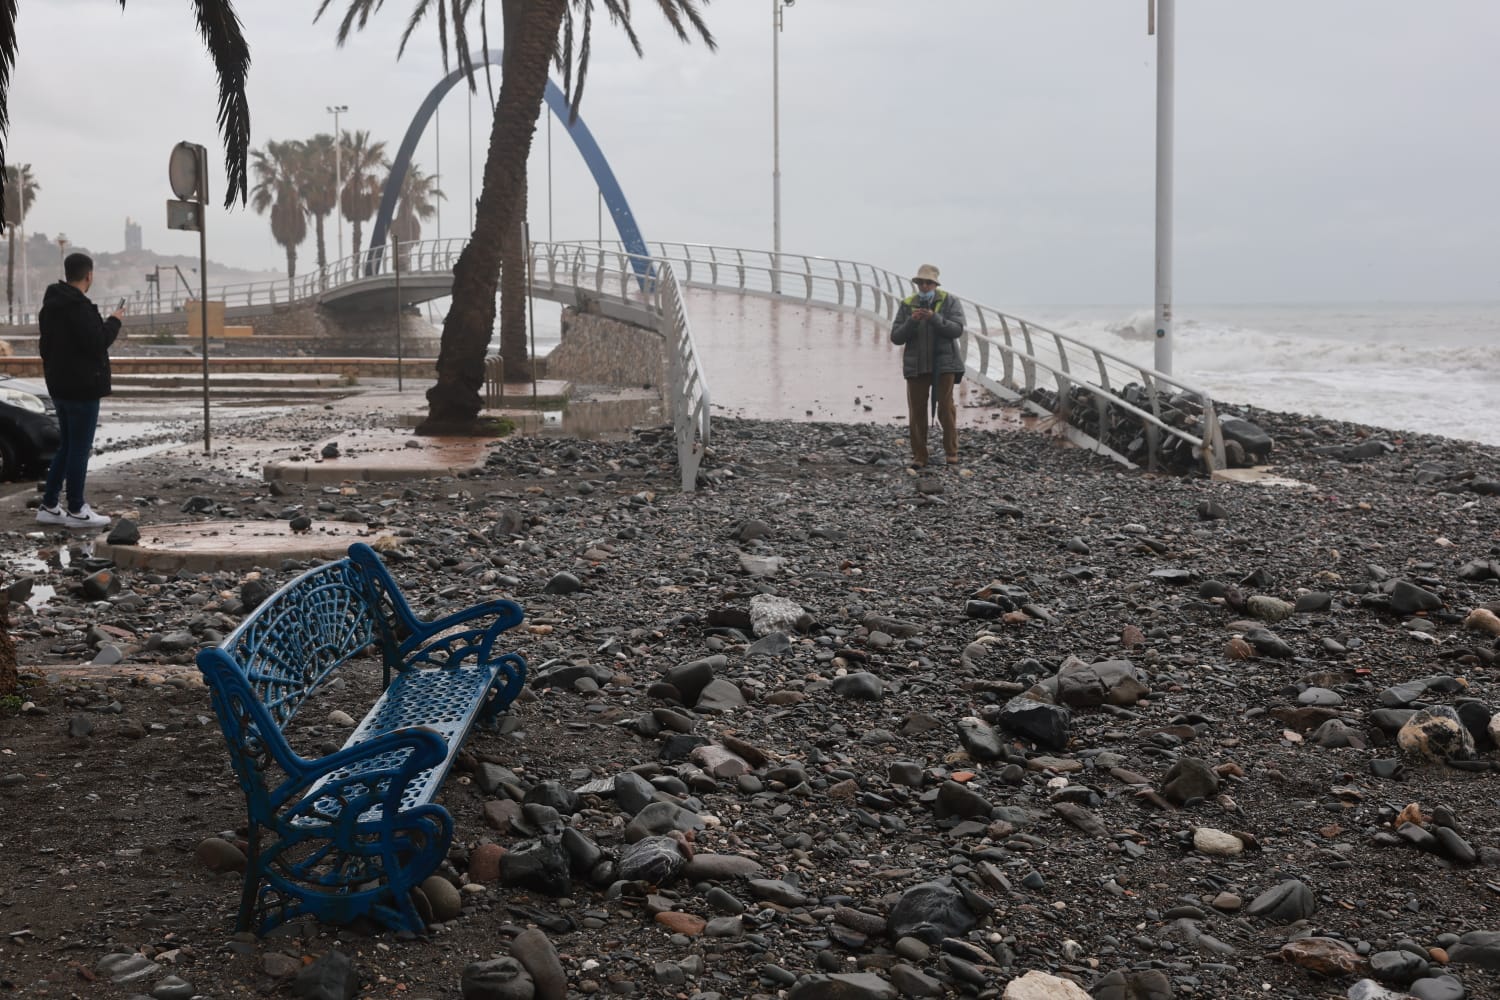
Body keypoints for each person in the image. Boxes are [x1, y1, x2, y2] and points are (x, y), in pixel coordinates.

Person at [35, 253, 123, 530]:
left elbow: (44, 348)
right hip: (82, 388)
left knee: (67, 446)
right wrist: (114, 320)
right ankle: (76, 508)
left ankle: (49, 505)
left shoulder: (50, 306)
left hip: (59, 386)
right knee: (78, 450)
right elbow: (97, 342)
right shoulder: (79, 307)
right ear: (89, 276)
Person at [890, 263, 966, 468]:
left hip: (944, 364)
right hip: (916, 366)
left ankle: (952, 452)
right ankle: (919, 456)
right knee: (917, 411)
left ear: (935, 284)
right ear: (916, 284)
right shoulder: (907, 304)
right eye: (921, 282)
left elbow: (957, 330)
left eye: (928, 282)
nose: (924, 286)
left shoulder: (949, 302)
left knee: (946, 408)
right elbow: (896, 337)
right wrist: (912, 321)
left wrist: (934, 318)